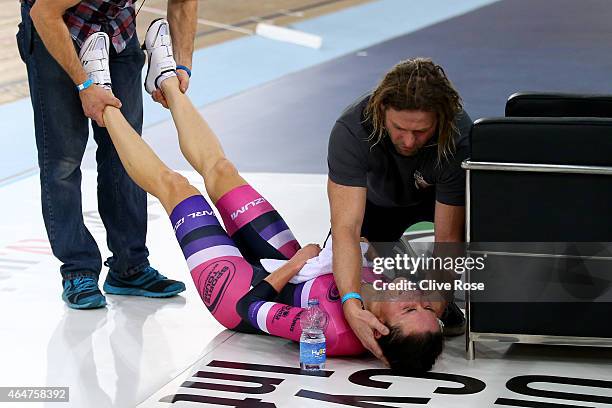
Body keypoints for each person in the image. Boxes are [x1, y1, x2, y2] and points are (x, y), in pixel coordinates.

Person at [80, 22, 447, 373]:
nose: (416, 298)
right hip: (294, 270)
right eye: (423, 305)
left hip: (240, 289)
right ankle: (166, 82)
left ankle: (103, 101)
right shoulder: (391, 298)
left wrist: (297, 262)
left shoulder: (330, 330)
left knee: (176, 186)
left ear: (379, 333)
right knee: (222, 171)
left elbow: (248, 305)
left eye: (411, 309)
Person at [16, 0, 197, 308]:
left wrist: (181, 66)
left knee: (125, 151)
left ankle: (130, 267)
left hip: (117, 30)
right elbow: (43, 13)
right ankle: (78, 270)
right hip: (56, 27)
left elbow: (184, 3)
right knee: (64, 160)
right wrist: (84, 86)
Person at [327, 58, 472, 361]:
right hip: (378, 206)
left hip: (434, 202)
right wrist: (352, 305)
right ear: (382, 112)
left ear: (441, 120)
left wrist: (438, 299)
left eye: (421, 131)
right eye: (399, 128)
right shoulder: (351, 130)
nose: (408, 141)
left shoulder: (458, 135)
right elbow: (346, 229)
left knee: (475, 230)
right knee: (342, 274)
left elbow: (447, 238)